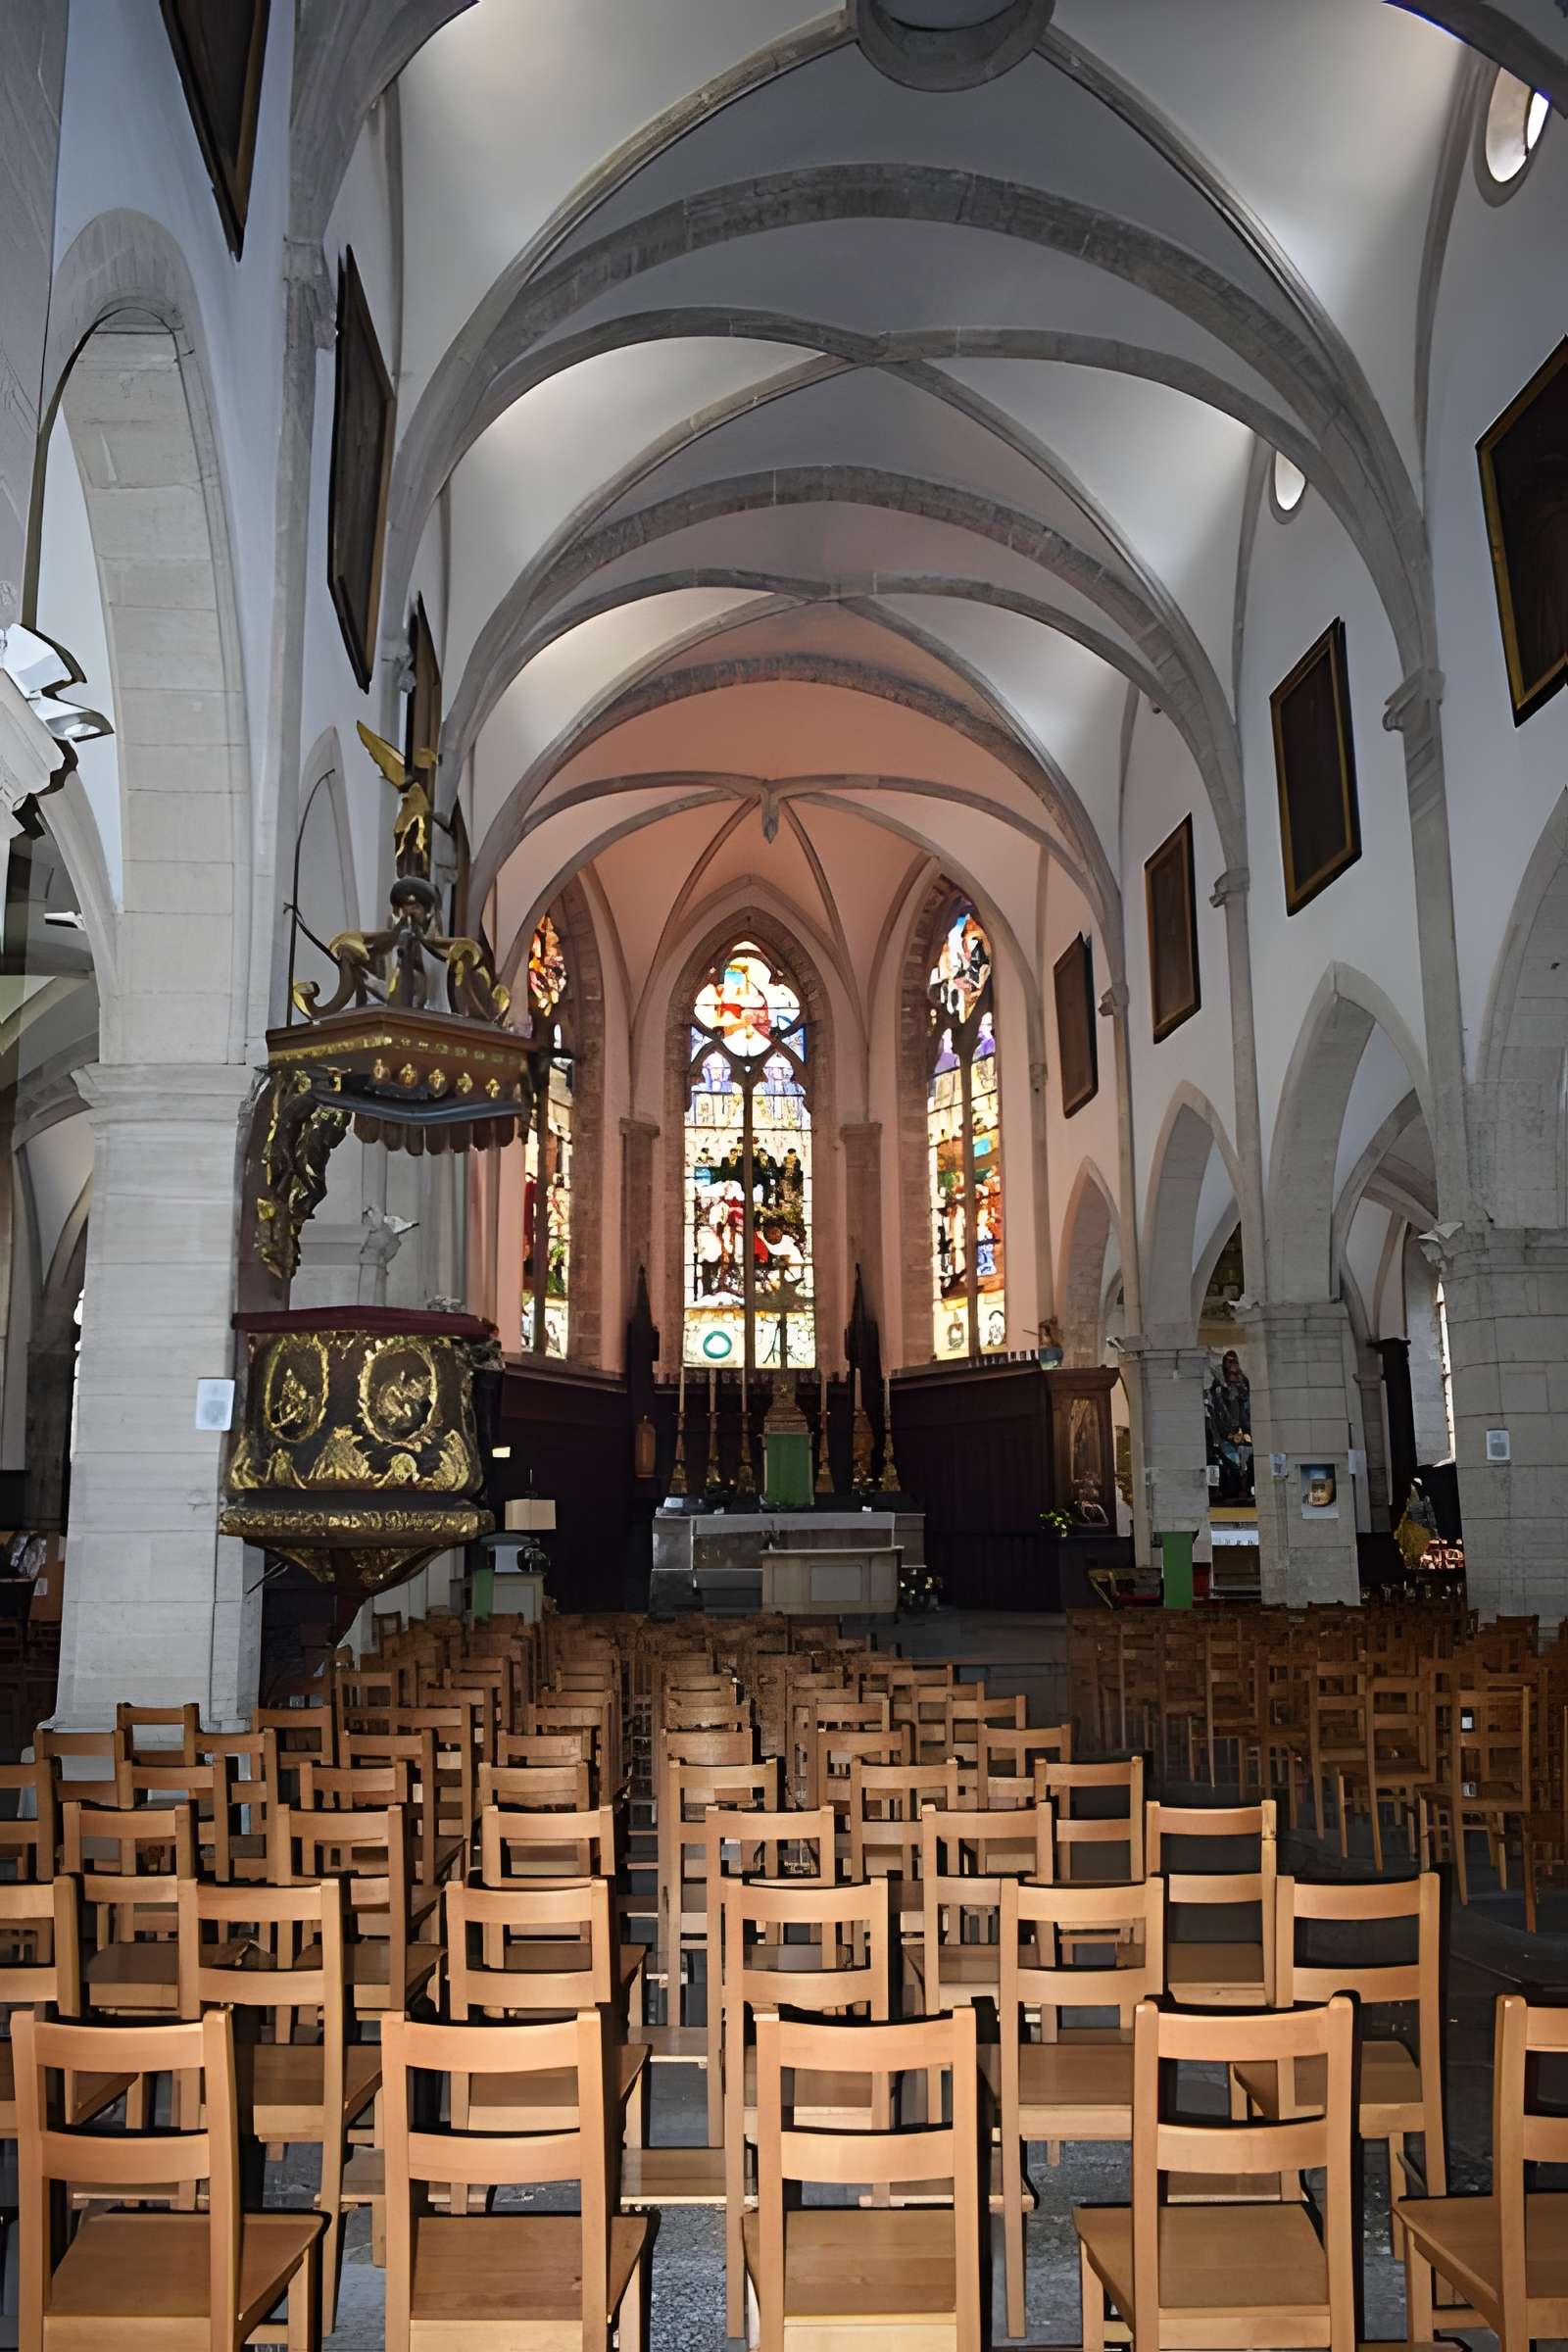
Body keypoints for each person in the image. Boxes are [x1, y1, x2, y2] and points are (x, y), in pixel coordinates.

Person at [1207, 1348, 1253, 1503]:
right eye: (1229, 1362)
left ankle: (1246, 1489)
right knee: (1229, 1462)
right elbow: (1217, 1411)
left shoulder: (1243, 1383)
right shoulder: (1219, 1387)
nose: (1232, 1365)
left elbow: (1247, 1404)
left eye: (1234, 1361)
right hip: (1226, 1433)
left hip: (1244, 1430)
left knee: (1247, 1462)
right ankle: (1227, 1489)